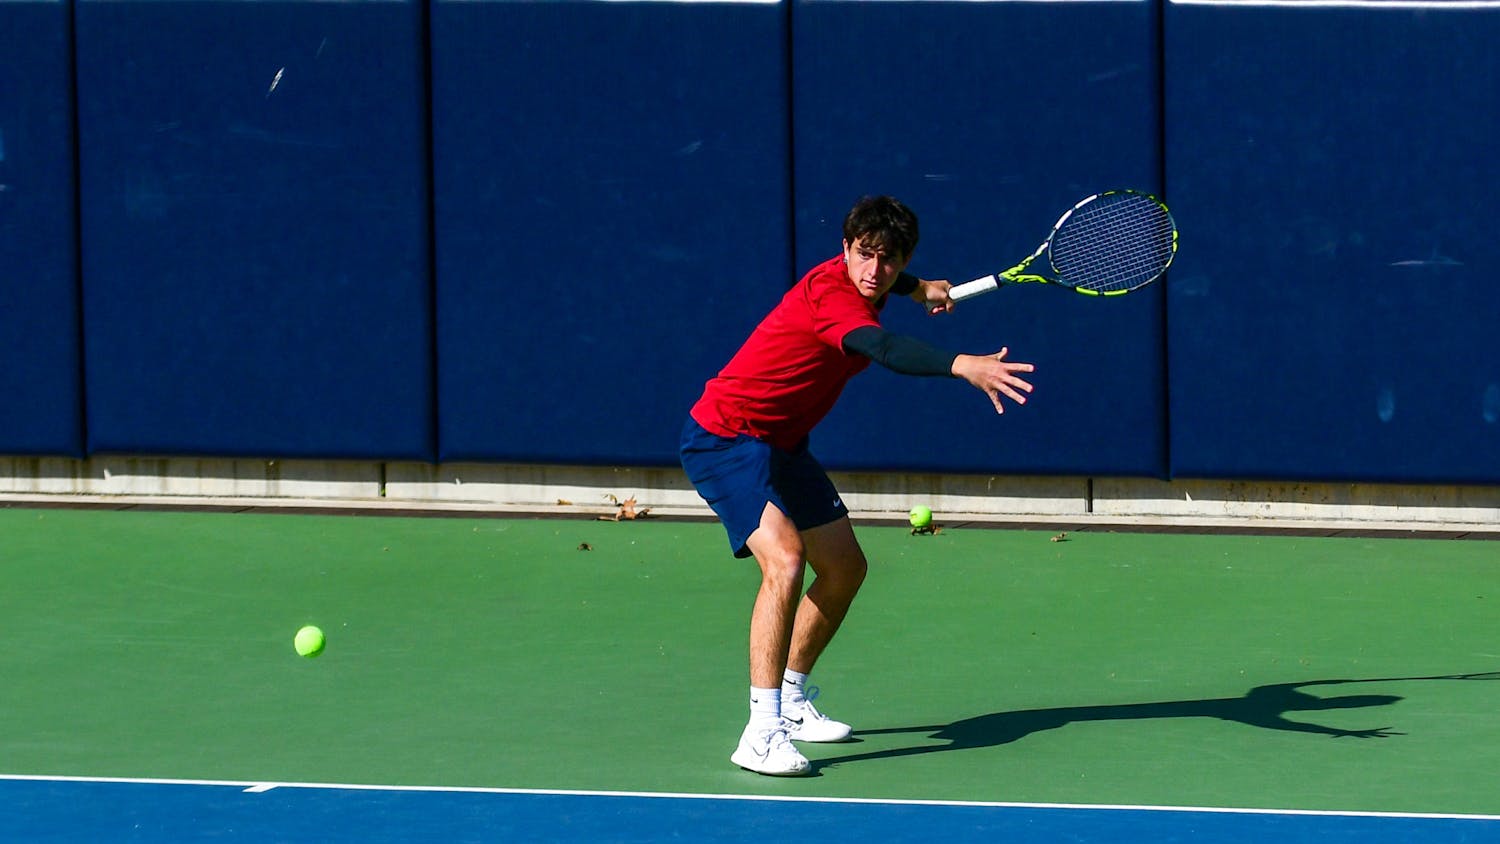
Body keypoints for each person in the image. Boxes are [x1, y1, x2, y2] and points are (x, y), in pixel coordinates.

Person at [679, 196, 1035, 776]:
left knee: (845, 567)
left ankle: (791, 700)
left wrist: (918, 289)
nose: (873, 269)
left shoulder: (876, 280)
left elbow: (882, 286)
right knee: (786, 561)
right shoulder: (830, 296)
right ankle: (760, 731)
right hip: (726, 437)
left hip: (783, 443)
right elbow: (883, 347)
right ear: (844, 248)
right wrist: (961, 364)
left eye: (888, 260)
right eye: (864, 254)